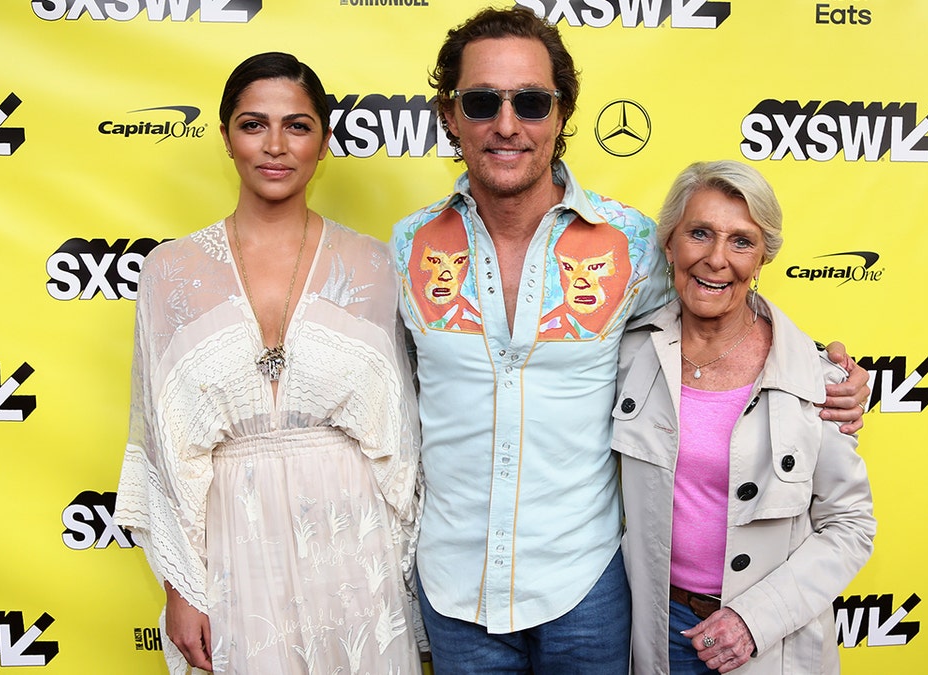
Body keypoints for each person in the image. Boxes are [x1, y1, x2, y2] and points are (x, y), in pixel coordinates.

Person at [392, 8, 868, 674]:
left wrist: (824, 370)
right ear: (449, 114)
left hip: (584, 588)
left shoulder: (632, 244)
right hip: (452, 587)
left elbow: (719, 298)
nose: (506, 124)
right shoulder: (407, 246)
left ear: (561, 114)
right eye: (481, 102)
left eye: (530, 102)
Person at [114, 52, 421, 674]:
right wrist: (181, 588)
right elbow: (165, 451)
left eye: (298, 126)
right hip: (234, 552)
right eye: (254, 125)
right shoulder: (168, 272)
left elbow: (404, 441)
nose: (275, 146)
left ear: (325, 142)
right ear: (226, 136)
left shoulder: (375, 265)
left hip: (354, 547)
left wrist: (409, 579)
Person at [614, 160, 876, 674]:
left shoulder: (815, 377)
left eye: (741, 241)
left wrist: (753, 620)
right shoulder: (626, 353)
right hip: (653, 630)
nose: (716, 259)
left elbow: (850, 524)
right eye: (699, 234)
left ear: (762, 258)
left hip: (768, 643)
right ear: (670, 244)